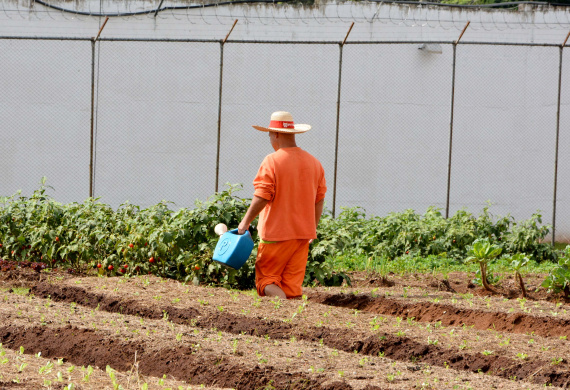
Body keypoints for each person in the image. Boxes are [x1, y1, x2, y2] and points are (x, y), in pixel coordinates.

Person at [237, 111, 326, 299]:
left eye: (269, 134)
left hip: (275, 235)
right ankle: (291, 324)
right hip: (302, 235)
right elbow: (319, 199)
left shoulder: (272, 160)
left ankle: (281, 312)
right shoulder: (314, 163)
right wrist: (313, 228)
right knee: (291, 289)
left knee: (267, 281)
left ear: (275, 134)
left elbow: (262, 195)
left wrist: (244, 223)